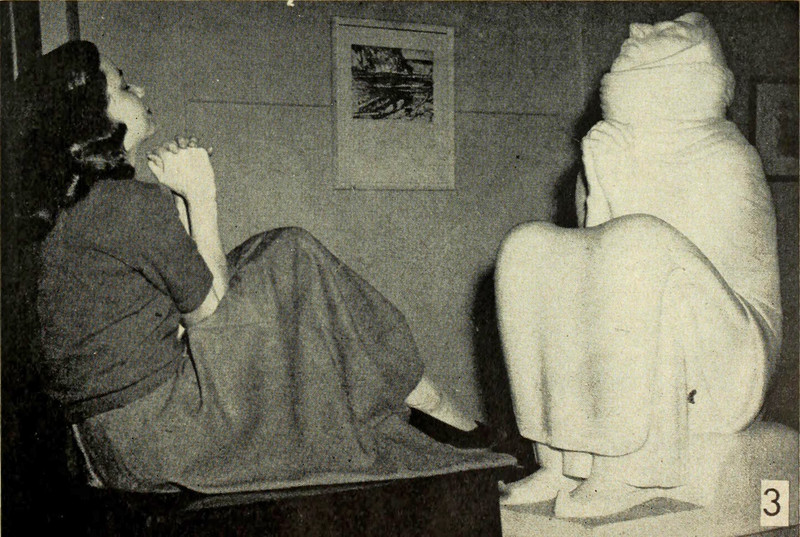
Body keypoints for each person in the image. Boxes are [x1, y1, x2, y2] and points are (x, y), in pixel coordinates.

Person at [14, 40, 509, 493]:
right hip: (167, 438)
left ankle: (423, 404)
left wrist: (182, 207)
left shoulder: (76, 206)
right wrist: (203, 197)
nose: (139, 90)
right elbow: (212, 318)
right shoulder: (125, 205)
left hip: (109, 448)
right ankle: (434, 407)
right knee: (292, 253)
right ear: (93, 115)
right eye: (123, 85)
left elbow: (162, 310)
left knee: (278, 251)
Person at [496, 13, 781, 517]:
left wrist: (620, 190)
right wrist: (601, 190)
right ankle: (563, 459)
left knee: (638, 242)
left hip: (729, 358)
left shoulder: (724, 154)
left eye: (664, 33)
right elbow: (590, 267)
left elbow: (671, 269)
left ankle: (629, 467)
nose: (635, 31)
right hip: (656, 302)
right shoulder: (610, 146)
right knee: (529, 246)